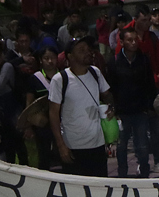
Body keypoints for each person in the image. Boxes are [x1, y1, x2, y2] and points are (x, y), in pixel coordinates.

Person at [107, 27, 159, 177]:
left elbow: (149, 84)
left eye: (135, 40)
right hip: (122, 111)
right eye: (129, 40)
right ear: (122, 42)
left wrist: (150, 106)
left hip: (140, 110)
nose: (134, 43)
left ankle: (144, 172)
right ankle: (122, 174)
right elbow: (111, 87)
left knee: (142, 145)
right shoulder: (114, 62)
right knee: (122, 145)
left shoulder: (143, 60)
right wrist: (114, 108)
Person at [48, 36, 114, 177]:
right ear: (70, 56)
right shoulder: (60, 80)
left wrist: (111, 108)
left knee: (100, 186)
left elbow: (107, 95)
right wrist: (61, 146)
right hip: (73, 146)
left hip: (97, 143)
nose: (88, 53)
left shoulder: (95, 72)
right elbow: (53, 114)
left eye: (88, 49)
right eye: (81, 50)